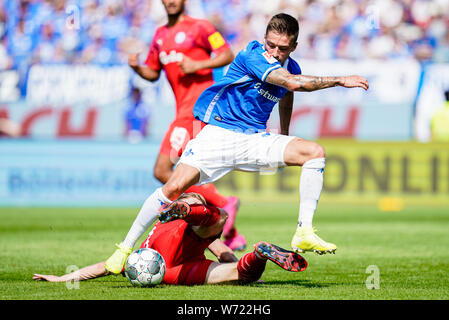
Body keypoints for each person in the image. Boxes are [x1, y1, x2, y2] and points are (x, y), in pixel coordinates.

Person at [104, 13, 369, 275]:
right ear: (263, 39)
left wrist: (285, 132)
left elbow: (288, 93)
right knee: (172, 186)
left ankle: (304, 231)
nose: (275, 52)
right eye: (271, 45)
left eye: (283, 48)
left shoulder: (292, 67)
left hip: (253, 139)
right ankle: (124, 249)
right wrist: (339, 80)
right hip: (218, 135)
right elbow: (291, 83)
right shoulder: (252, 55)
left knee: (314, 153)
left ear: (294, 47)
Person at [129, 0, 245, 250]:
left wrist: (198, 65)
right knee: (176, 171)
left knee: (163, 170)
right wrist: (136, 67)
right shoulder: (160, 35)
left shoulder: (201, 27)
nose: (170, 1)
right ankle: (231, 229)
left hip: (198, 109)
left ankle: (223, 203)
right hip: (182, 109)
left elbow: (227, 54)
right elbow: (153, 72)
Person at [33, 193, 307, 285]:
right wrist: (239, 269)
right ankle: (257, 253)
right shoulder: (181, 227)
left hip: (168, 269)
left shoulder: (142, 248)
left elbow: (104, 267)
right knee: (219, 218)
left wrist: (62, 278)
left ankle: (257, 255)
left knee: (213, 228)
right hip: (181, 256)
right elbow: (223, 252)